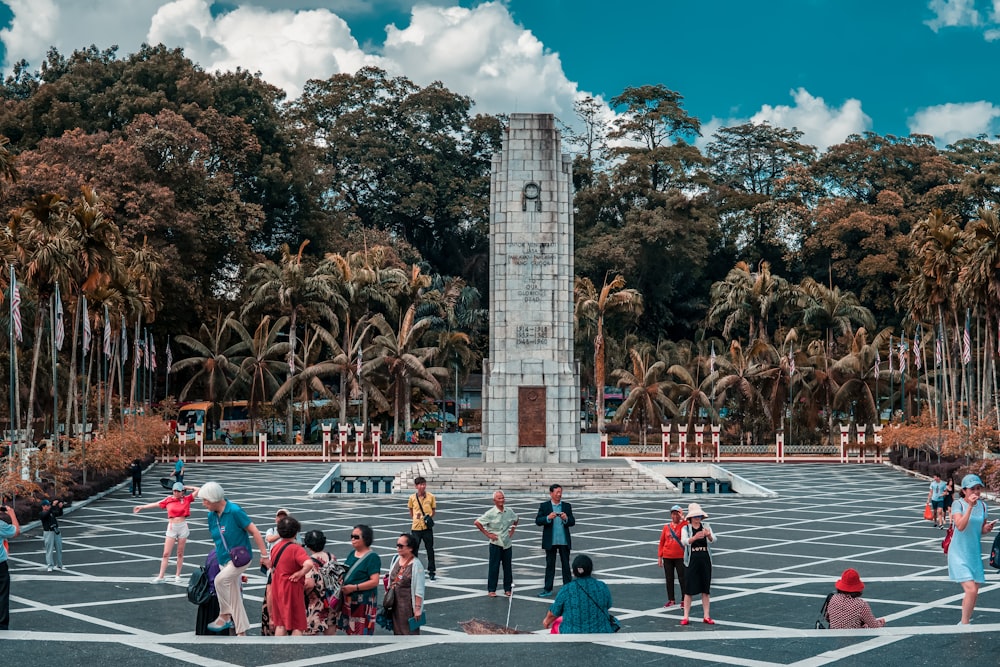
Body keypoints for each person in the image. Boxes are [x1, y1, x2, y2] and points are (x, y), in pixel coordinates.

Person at [197, 481, 269, 636]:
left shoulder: (235, 511)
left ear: (214, 499)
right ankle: (241, 632)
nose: (203, 504)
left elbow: (255, 532)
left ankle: (224, 615)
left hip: (240, 558)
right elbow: (218, 539)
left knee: (219, 581)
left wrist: (264, 555)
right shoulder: (211, 516)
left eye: (205, 500)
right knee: (235, 596)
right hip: (224, 559)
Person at [948, 473, 996, 625]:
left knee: (974, 592)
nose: (975, 492)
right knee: (971, 590)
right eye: (972, 489)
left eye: (978, 488)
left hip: (973, 553)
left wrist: (987, 528)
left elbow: (980, 529)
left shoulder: (983, 506)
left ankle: (964, 621)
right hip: (958, 552)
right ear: (964, 491)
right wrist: (970, 506)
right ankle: (965, 624)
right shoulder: (958, 504)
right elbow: (960, 527)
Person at [134, 482, 198, 583]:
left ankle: (177, 575)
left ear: (182, 492)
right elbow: (156, 504)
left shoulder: (186, 499)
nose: (176, 493)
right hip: (172, 527)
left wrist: (186, 487)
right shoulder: (168, 499)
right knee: (166, 553)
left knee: (180, 553)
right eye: (174, 491)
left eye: (178, 491)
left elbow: (198, 490)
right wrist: (142, 507)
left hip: (183, 527)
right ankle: (161, 576)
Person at [541, 554, 615, 633]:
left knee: (557, 623)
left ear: (574, 571)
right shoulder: (602, 586)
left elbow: (554, 611)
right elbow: (608, 605)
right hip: (601, 630)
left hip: (573, 631)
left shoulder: (567, 589)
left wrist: (546, 621)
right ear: (590, 569)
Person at [265, 515, 313, 636]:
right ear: (296, 532)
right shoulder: (296, 549)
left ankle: (279, 650)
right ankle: (296, 651)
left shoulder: (275, 547)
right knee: (297, 624)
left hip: (277, 586)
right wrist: (300, 573)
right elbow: (309, 564)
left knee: (280, 623)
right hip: (292, 587)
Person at [338, 524, 382, 635]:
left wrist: (354, 587)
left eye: (356, 537)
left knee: (362, 632)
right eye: (351, 536)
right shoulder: (352, 554)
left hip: (364, 601)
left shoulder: (372, 557)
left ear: (365, 539)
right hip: (349, 600)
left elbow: (374, 581)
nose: (353, 539)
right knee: (351, 631)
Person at [474, 490, 519, 597]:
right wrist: (488, 534)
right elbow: (477, 522)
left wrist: (512, 530)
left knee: (507, 567)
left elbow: (516, 519)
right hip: (496, 543)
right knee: (494, 567)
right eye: (499, 498)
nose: (502, 500)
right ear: (494, 500)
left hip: (507, 543)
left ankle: (507, 589)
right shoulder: (491, 513)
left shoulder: (509, 511)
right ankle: (491, 589)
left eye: (503, 498)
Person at [535, 483, 575, 597]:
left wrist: (566, 518)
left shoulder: (566, 506)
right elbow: (538, 521)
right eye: (557, 492)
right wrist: (548, 518)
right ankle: (547, 589)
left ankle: (568, 588)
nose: (559, 494)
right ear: (551, 493)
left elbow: (572, 522)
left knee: (566, 566)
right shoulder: (545, 506)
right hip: (550, 541)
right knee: (550, 566)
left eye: (560, 492)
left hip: (564, 541)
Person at [680, 502, 717, 625]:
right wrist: (694, 538)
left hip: (705, 558)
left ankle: (706, 615)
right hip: (692, 559)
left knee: (705, 589)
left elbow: (714, 540)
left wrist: (709, 535)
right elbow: (684, 541)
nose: (697, 518)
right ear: (690, 518)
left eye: (699, 516)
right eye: (695, 516)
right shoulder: (686, 528)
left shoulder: (706, 526)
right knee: (688, 589)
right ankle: (686, 616)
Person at [302, 529, 339, 635]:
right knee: (330, 631)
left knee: (310, 633)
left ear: (308, 545)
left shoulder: (309, 562)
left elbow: (309, 583)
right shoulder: (331, 557)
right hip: (331, 601)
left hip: (315, 603)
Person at [389, 532, 426, 635]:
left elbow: (419, 589)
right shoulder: (395, 559)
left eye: (401, 546)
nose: (398, 548)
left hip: (407, 608)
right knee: (397, 632)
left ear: (410, 548)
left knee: (409, 633)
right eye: (397, 545)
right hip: (394, 606)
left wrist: (417, 609)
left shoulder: (416, 565)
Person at [658, 504, 687, 608]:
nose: (675, 516)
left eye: (677, 514)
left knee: (682, 578)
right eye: (673, 514)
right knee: (669, 578)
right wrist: (660, 557)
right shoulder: (666, 527)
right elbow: (662, 542)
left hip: (680, 556)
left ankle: (684, 599)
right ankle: (671, 599)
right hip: (668, 556)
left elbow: (689, 525)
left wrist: (683, 518)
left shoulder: (684, 526)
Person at [408, 476, 437, 580]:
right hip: (416, 527)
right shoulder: (412, 498)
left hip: (427, 528)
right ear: (416, 486)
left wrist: (428, 518)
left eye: (424, 484)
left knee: (430, 549)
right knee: (414, 549)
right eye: (420, 484)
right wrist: (416, 518)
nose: (422, 486)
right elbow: (411, 510)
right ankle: (413, 570)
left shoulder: (431, 496)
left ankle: (432, 571)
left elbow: (433, 510)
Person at [0, 505, 21, 630]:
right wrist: (12, 514)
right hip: (0, 565)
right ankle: (1, 624)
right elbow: (16, 531)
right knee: (2, 593)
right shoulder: (1, 525)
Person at [39, 499, 65, 572]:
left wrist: (60, 507)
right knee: (49, 549)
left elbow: (59, 514)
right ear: (43, 506)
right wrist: (53, 506)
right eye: (47, 505)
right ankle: (50, 565)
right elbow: (46, 515)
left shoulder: (51, 512)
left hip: (56, 531)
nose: (49, 506)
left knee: (59, 548)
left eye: (49, 505)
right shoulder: (42, 514)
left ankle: (59, 564)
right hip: (48, 532)